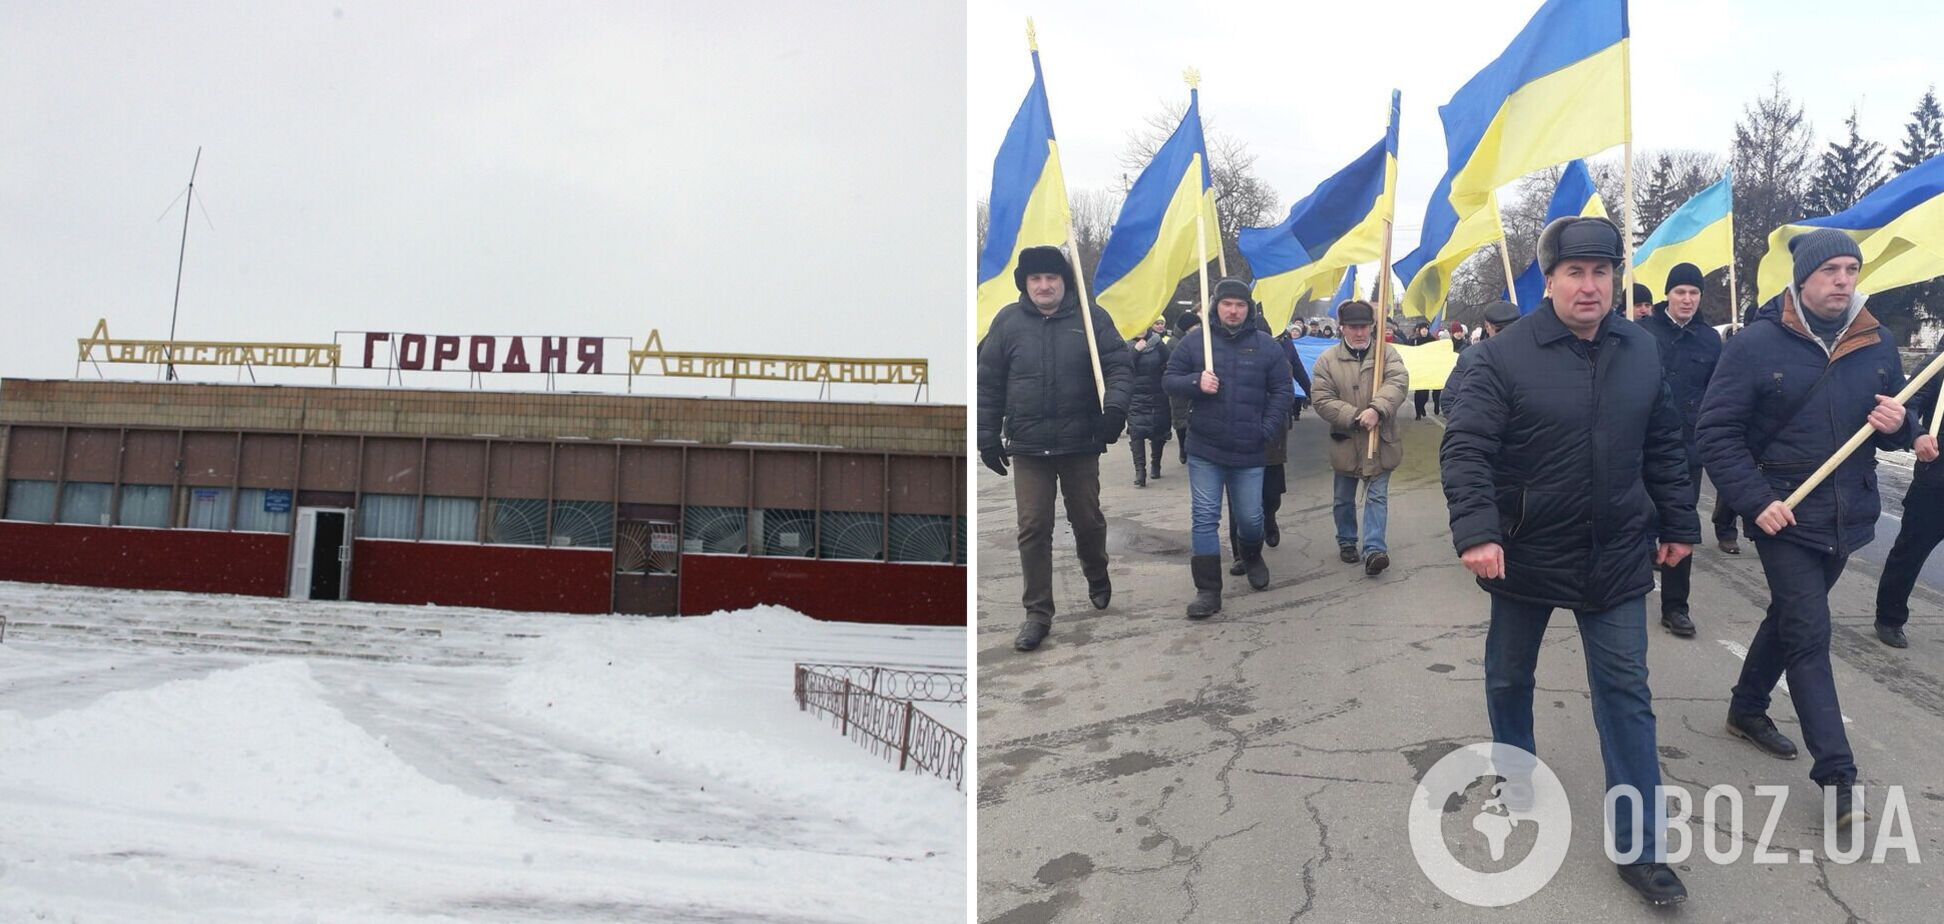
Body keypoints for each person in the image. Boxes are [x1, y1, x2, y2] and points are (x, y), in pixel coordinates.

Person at [1441, 216, 1698, 905]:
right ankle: (1517, 767)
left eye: (1602, 272)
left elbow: (1666, 443)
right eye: (1575, 273)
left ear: (1617, 278)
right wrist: (1478, 533)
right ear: (1549, 281)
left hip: (1614, 555)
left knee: (1627, 696)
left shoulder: (1641, 350)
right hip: (1524, 552)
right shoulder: (1505, 357)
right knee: (1508, 675)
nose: (1590, 286)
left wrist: (1677, 520)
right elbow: (1466, 448)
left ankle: (1641, 849)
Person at [1698, 229, 1913, 832]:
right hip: (1784, 514)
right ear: (1802, 279)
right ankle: (1839, 776)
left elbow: (1892, 421)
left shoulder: (1877, 339)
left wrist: (1901, 421)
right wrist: (1754, 501)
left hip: (1849, 515)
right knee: (1810, 635)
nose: (1843, 280)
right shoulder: (1757, 344)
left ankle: (1745, 708)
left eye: (1851, 269)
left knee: (1791, 618)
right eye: (1831, 271)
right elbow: (1715, 434)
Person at [977, 245, 1134, 652]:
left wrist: (1115, 409)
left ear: (1065, 282)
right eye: (1036, 279)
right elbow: (988, 382)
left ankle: (1096, 573)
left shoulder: (1091, 319)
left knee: (1087, 519)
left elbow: (1119, 365)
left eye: (1052, 278)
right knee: (1033, 528)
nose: (1044, 286)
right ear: (1025, 284)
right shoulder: (1008, 323)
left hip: (1081, 441)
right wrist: (986, 434)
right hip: (1029, 447)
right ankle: (1037, 613)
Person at [1163, 278, 1294, 619]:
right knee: (1205, 518)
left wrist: (1266, 429)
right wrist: (1196, 382)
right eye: (1227, 304)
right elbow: (1169, 379)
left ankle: (1251, 554)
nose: (1233, 310)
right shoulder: (1196, 344)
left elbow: (1282, 389)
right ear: (1215, 307)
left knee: (1251, 519)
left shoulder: (1266, 346)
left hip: (1250, 450)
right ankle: (1208, 590)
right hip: (1206, 447)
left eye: (1240, 304)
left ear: (1248, 308)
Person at [1636, 263, 1723, 639]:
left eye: (1694, 293)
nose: (1687, 299)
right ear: (1667, 295)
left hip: (1687, 447)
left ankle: (1675, 607)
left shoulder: (1710, 340)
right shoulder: (1642, 333)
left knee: (1680, 524)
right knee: (1636, 519)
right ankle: (1630, 585)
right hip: (1640, 442)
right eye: (1680, 292)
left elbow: (1719, 390)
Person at [1312, 300, 1409, 575]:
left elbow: (1398, 382)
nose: (1359, 332)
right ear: (1342, 327)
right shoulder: (1328, 361)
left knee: (1377, 497)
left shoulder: (1386, 355)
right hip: (1346, 440)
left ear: (1372, 326)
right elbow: (1321, 398)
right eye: (1353, 327)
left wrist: (1378, 409)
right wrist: (1355, 415)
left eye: (1364, 326)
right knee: (1343, 500)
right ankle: (1346, 540)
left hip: (1381, 440)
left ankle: (1375, 550)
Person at [1874, 347, 1944, 648]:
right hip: (1937, 477)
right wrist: (1918, 433)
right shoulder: (1938, 364)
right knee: (1911, 550)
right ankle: (1889, 617)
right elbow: (1908, 404)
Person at [1439, 300, 1520, 421]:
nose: (1505, 336)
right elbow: (1449, 400)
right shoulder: (1471, 357)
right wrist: (1472, 430)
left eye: (1510, 329)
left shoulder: (1533, 354)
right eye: (1499, 330)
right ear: (1487, 327)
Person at [1126, 316, 1172, 487]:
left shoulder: (1158, 343)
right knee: (1137, 434)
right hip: (1136, 398)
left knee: (1158, 434)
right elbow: (1123, 367)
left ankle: (1156, 464)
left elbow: (1170, 363)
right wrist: (1135, 351)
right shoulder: (1127, 345)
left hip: (1157, 396)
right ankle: (1140, 471)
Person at [1168, 311, 1201, 465]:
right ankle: (1183, 447)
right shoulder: (1174, 344)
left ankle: (1189, 448)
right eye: (1195, 326)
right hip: (1180, 388)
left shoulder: (1199, 341)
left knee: (1190, 420)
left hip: (1194, 385)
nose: (1198, 328)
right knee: (1181, 422)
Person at [1408, 321, 1436, 420]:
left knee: (1425, 395)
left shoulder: (1432, 340)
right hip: (1418, 369)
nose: (1424, 331)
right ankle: (1418, 413)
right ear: (1419, 330)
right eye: (1422, 329)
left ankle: (1422, 406)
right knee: (1418, 392)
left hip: (1428, 369)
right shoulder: (1414, 340)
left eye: (1426, 329)